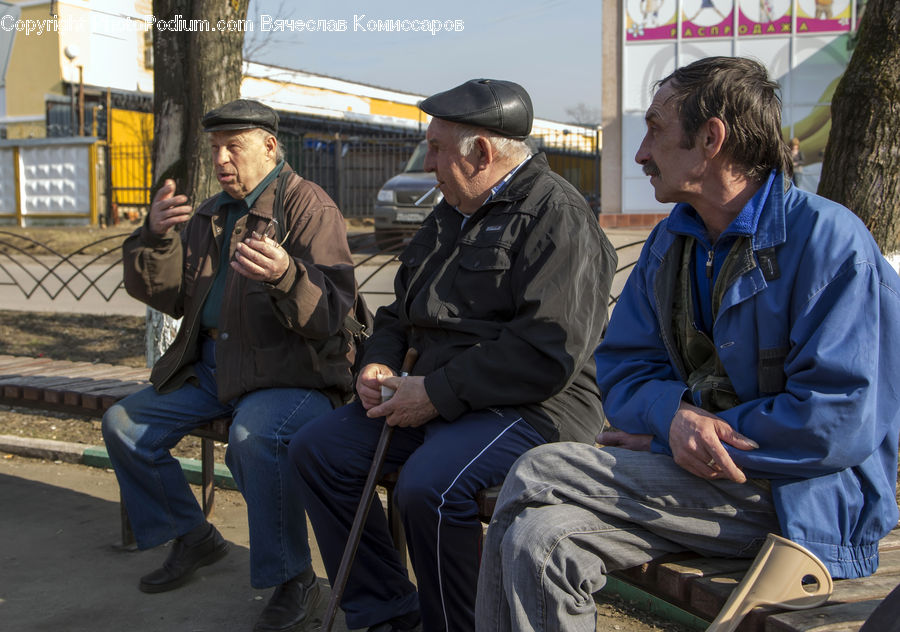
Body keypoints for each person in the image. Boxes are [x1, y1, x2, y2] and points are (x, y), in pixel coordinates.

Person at [475, 56, 900, 632]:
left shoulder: (830, 243)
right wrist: (672, 418)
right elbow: (623, 371)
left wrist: (671, 435)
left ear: (711, 138)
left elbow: (840, 421)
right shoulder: (670, 243)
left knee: (539, 466)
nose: (641, 153)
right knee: (538, 538)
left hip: (805, 503)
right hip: (705, 486)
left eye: (654, 129)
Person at [288, 79, 617, 632]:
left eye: (438, 148)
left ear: (482, 153)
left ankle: (458, 625)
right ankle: (388, 612)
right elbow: (401, 311)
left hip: (529, 406)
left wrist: (434, 394)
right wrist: (380, 362)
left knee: (428, 489)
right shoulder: (453, 210)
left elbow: (546, 350)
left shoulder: (557, 216)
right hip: (435, 395)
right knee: (318, 450)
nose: (430, 161)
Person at [102, 99, 358, 632]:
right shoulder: (212, 214)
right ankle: (194, 536)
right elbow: (172, 297)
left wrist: (289, 275)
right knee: (124, 425)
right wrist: (154, 238)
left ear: (269, 146)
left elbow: (337, 313)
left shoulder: (309, 207)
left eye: (232, 146)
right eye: (215, 148)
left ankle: (297, 582)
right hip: (216, 366)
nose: (221, 158)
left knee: (253, 438)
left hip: (291, 373)